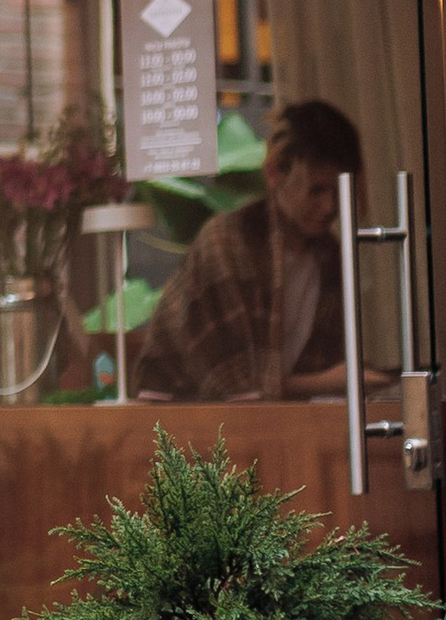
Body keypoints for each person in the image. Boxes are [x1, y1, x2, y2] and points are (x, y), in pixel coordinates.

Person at [133, 97, 366, 403]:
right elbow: (236, 386)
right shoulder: (228, 240)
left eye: (338, 192)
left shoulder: (329, 254)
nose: (330, 207)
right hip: (178, 426)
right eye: (317, 190)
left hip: (273, 425)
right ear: (275, 173)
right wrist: (332, 381)